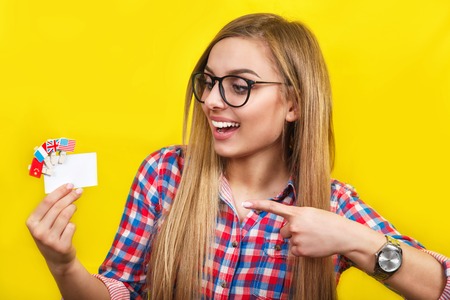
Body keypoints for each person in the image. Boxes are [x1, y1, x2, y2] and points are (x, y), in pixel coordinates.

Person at [26, 13, 450, 300]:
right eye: (208, 82)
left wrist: (353, 239)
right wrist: (64, 266)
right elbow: (120, 290)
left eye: (239, 85)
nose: (211, 100)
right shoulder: (164, 175)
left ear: (293, 104)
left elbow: (442, 286)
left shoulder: (330, 205)